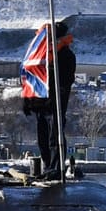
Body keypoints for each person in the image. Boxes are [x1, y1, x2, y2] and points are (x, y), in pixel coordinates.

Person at [20, 20, 76, 180]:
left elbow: (66, 80)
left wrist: (57, 95)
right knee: (43, 137)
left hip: (56, 103)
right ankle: (48, 166)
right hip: (41, 102)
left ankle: (56, 168)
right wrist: (28, 101)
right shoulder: (41, 56)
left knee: (54, 135)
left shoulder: (66, 55)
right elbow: (31, 78)